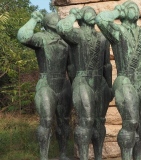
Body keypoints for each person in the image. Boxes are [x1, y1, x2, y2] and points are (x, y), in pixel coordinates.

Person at [96, 1, 141, 159]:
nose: (134, 8)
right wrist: (117, 12)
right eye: (129, 7)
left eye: (135, 7)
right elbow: (100, 19)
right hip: (125, 80)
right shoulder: (117, 31)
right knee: (130, 123)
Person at [57, 6, 113, 160]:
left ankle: (99, 156)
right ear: (82, 17)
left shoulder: (103, 38)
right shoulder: (76, 35)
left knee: (99, 121)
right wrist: (73, 15)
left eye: (93, 11)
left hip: (100, 82)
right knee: (86, 120)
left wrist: (109, 86)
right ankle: (83, 156)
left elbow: (106, 64)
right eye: (87, 12)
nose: (92, 13)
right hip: (82, 80)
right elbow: (62, 29)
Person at [17, 11, 73, 160]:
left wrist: (75, 85)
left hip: (64, 84)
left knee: (64, 122)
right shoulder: (41, 38)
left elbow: (71, 67)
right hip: (46, 83)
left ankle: (63, 154)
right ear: (49, 23)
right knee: (46, 121)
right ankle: (44, 157)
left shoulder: (66, 41)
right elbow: (23, 37)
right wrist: (34, 19)